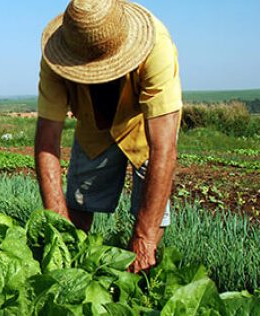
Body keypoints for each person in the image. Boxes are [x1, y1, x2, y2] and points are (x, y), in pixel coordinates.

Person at [35, 0, 182, 273]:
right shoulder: (56, 57)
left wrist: (144, 237)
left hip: (142, 122)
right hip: (92, 122)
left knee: (149, 224)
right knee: (78, 203)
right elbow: (47, 142)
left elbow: (164, 148)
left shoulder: (156, 46)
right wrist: (58, 231)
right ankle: (75, 264)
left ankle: (139, 277)